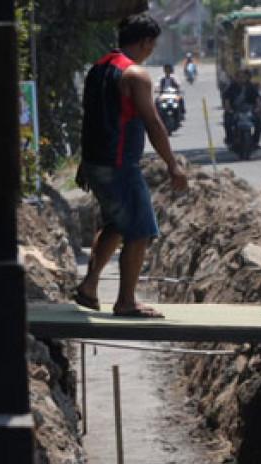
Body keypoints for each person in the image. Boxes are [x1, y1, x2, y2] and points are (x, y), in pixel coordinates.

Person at [74, 13, 188, 318]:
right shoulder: (135, 75)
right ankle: (126, 301)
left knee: (115, 224)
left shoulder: (97, 69)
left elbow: (90, 118)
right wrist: (173, 165)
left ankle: (88, 286)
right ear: (145, 42)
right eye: (152, 45)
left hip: (97, 162)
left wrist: (84, 161)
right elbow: (152, 122)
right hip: (120, 164)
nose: (151, 51)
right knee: (139, 232)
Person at [222, 69, 261, 145]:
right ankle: (230, 139)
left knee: (259, 122)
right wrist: (229, 109)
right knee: (227, 121)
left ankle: (256, 141)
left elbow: (257, 99)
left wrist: (258, 108)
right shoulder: (230, 88)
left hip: (249, 111)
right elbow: (226, 101)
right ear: (235, 78)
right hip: (235, 111)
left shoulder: (251, 87)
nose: (241, 79)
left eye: (243, 77)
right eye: (239, 77)